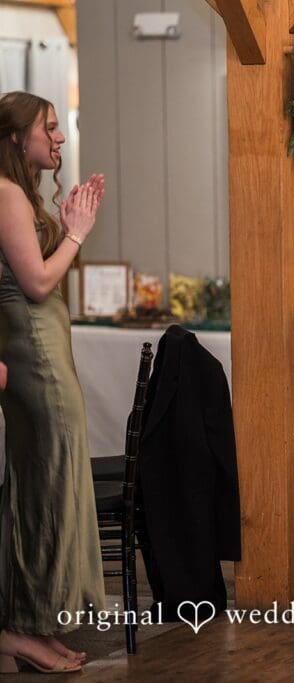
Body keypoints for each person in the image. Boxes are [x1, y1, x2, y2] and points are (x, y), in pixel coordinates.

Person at [0, 91, 106, 672]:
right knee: (46, 490)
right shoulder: (6, 192)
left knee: (45, 487)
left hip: (40, 354)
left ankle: (32, 624)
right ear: (19, 137)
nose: (61, 137)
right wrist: (77, 234)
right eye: (51, 127)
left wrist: (65, 229)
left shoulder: (18, 194)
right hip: (35, 360)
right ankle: (24, 629)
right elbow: (38, 284)